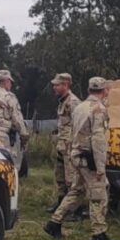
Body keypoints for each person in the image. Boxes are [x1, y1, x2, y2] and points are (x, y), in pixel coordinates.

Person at [44, 77, 120, 240]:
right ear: (104, 90)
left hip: (77, 155)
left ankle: (54, 222)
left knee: (76, 191)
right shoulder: (99, 109)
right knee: (99, 192)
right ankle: (99, 233)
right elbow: (98, 139)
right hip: (89, 158)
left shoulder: (80, 107)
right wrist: (100, 167)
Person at [47, 73, 82, 215]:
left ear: (66, 85)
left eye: (57, 85)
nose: (54, 87)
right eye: (54, 85)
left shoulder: (73, 102)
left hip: (70, 146)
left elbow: (79, 125)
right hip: (62, 146)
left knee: (71, 179)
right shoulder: (63, 101)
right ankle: (61, 203)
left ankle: (74, 209)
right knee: (60, 177)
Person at [0, 70, 29, 159]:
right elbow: (17, 119)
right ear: (6, 81)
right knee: (4, 166)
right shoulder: (9, 97)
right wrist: (24, 138)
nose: (11, 84)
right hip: (2, 138)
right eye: (10, 81)